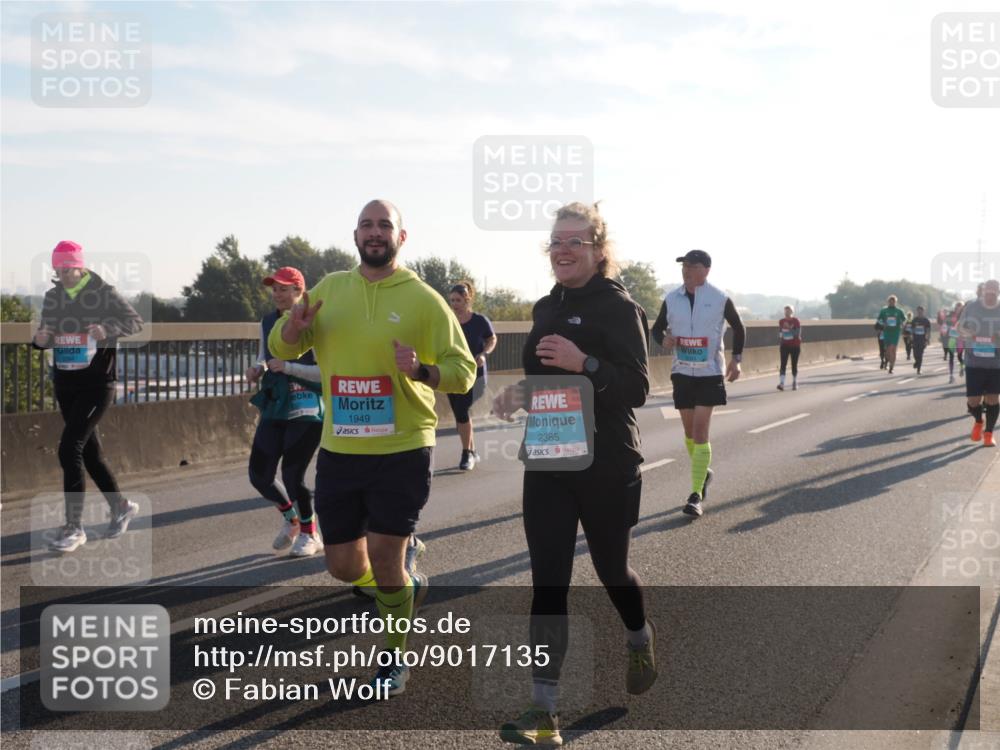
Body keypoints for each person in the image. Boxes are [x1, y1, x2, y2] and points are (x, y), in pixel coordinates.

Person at [269, 199, 476, 695]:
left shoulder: (425, 299)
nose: (375, 232)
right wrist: (293, 328)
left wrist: (422, 370)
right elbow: (283, 348)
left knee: (384, 556)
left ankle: (393, 657)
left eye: (385, 225)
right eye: (367, 224)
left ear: (401, 238)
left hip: (404, 446)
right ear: (356, 235)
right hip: (341, 446)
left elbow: (462, 370)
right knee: (343, 567)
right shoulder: (331, 290)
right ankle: (405, 587)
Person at [493, 202, 655, 746]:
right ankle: (545, 711)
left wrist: (582, 361)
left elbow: (636, 389)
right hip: (549, 459)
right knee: (549, 582)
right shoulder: (545, 307)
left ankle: (638, 635)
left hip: (607, 463)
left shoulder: (618, 307)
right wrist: (518, 395)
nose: (562, 250)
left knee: (613, 572)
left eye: (575, 242)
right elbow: (547, 382)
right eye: (556, 242)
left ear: (598, 249)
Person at [32, 241, 144, 552]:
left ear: (79, 266)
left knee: (70, 449)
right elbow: (45, 333)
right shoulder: (54, 296)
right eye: (58, 269)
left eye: (68, 268)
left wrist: (107, 329)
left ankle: (74, 527)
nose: (63, 273)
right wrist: (40, 339)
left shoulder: (103, 292)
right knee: (89, 453)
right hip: (65, 382)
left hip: (98, 383)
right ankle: (120, 506)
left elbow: (135, 322)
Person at [651, 249, 745, 517]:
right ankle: (704, 472)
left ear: (706, 269)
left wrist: (736, 360)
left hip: (709, 374)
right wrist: (664, 341)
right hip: (681, 372)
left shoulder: (719, 298)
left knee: (701, 433)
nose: (686, 270)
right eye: (684, 266)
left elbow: (739, 327)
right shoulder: (672, 298)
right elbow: (657, 329)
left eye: (691, 266)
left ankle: (695, 495)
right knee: (690, 434)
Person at [246, 267, 324, 557]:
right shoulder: (267, 321)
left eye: (283, 288)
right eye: (274, 288)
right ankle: (291, 519)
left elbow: (325, 371)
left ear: (299, 292)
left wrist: (289, 367)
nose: (277, 294)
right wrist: (257, 369)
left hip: (307, 408)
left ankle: (309, 532)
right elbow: (264, 358)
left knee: (293, 475)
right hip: (275, 405)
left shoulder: (315, 323)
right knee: (259, 475)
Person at [446, 281, 497, 470]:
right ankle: (472, 450)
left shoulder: (479, 321)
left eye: (458, 300)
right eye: (451, 300)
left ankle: (466, 454)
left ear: (467, 299)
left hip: (476, 375)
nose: (454, 303)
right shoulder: (448, 320)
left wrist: (484, 354)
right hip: (453, 373)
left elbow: (492, 338)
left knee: (461, 410)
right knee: (460, 414)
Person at [957, 280, 1000, 447]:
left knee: (993, 399)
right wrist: (969, 333)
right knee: (973, 401)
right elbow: (959, 328)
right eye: (988, 293)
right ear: (983, 293)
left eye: (994, 294)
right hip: (974, 362)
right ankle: (978, 420)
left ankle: (989, 434)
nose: (990, 296)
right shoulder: (972, 307)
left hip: (996, 363)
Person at [875, 295, 906, 374]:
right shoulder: (884, 310)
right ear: (888, 302)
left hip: (895, 332)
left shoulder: (899, 311)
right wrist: (883, 324)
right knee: (888, 351)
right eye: (890, 301)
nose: (891, 303)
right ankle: (887, 360)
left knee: (893, 350)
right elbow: (879, 320)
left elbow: (904, 319)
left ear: (895, 302)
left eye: (893, 301)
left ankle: (891, 367)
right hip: (887, 332)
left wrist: (902, 324)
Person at [776, 305, 801, 391]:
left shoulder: (796, 321)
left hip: (795, 345)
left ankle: (794, 382)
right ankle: (782, 383)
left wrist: (789, 328)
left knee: (794, 365)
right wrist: (781, 339)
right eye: (785, 311)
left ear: (792, 312)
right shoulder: (781, 321)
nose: (786, 312)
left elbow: (797, 334)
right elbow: (780, 333)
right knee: (783, 364)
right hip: (784, 346)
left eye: (788, 311)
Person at [910, 305, 932, 375]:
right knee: (915, 353)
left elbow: (928, 331)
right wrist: (911, 338)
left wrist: (927, 339)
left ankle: (919, 369)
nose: (919, 312)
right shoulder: (914, 320)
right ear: (917, 311)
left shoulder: (926, 321)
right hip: (915, 339)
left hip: (922, 339)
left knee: (920, 354)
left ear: (923, 311)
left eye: (921, 311)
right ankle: (916, 362)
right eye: (918, 311)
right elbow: (912, 330)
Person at [947, 301, 965, 384]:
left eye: (960, 307)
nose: (958, 308)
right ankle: (951, 375)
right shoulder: (951, 316)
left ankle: (962, 368)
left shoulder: (965, 316)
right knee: (951, 356)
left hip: (960, 339)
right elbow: (946, 324)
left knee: (959, 356)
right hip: (952, 338)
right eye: (957, 307)